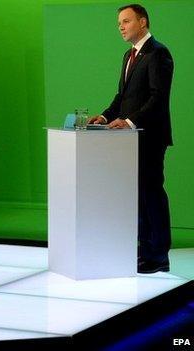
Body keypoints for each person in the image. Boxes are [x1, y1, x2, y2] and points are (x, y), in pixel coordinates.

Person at [88, 4, 174, 274]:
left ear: (143, 21)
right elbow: (122, 98)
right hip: (128, 140)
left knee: (151, 195)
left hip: (149, 137)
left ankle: (159, 255)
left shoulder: (158, 54)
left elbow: (157, 98)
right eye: (119, 24)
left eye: (126, 21)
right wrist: (104, 116)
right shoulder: (129, 55)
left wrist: (128, 121)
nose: (121, 27)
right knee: (136, 197)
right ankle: (144, 249)